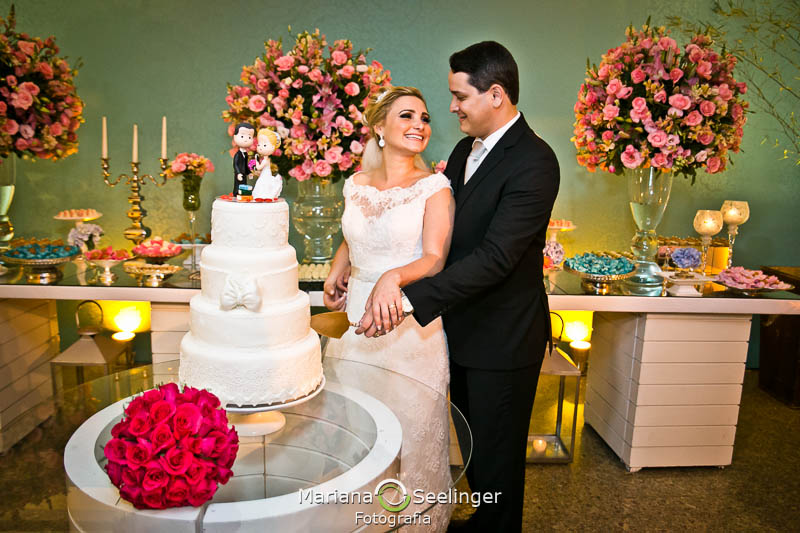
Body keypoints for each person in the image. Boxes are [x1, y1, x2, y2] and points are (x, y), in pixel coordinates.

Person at [355, 42, 560, 532]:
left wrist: (406, 299)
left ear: (494, 94)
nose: (451, 108)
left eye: (458, 96)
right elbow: (437, 225)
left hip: (504, 337)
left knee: (499, 459)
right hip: (461, 330)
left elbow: (495, 259)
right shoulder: (465, 149)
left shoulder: (535, 161)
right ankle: (486, 521)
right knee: (474, 448)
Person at [322, 86, 455, 531]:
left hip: (408, 326)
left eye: (424, 116)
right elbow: (353, 234)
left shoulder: (433, 186)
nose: (419, 124)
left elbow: (435, 258)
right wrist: (337, 269)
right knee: (355, 429)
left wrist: (391, 277)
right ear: (379, 127)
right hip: (356, 325)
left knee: (408, 434)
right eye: (406, 116)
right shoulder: (356, 185)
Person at [252, 128, 283, 199]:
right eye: (259, 144)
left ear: (272, 147)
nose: (260, 147)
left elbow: (259, 167)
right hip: (265, 173)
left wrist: (256, 161)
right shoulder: (266, 159)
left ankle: (263, 196)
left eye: (264, 145)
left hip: (265, 175)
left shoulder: (265, 160)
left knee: (262, 184)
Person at [232, 123, 255, 198]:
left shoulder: (246, 154)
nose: (246, 139)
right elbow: (235, 164)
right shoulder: (238, 154)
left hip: (244, 173)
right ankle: (236, 194)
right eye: (242, 136)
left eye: (249, 137)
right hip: (239, 174)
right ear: (235, 137)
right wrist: (238, 173)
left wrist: (249, 172)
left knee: (244, 185)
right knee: (238, 185)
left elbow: (246, 165)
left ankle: (242, 195)